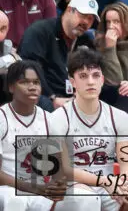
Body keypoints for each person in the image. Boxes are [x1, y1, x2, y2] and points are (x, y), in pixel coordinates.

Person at [50, 47, 128, 211]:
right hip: (72, 189)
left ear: (102, 79)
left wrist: (122, 186)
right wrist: (104, 181)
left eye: (95, 75)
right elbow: (63, 170)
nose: (90, 81)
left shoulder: (119, 117)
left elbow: (126, 167)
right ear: (72, 81)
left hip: (108, 188)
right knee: (87, 199)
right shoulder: (57, 119)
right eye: (83, 76)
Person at [0, 59, 83, 211]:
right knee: (16, 200)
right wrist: (34, 188)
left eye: (36, 82)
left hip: (39, 188)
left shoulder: (49, 119)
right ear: (11, 87)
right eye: (25, 82)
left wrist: (59, 185)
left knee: (82, 199)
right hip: (7, 189)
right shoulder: (2, 118)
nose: (32, 87)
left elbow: (60, 168)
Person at [19, 0, 97, 112]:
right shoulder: (40, 31)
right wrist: (53, 97)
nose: (86, 22)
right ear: (69, 10)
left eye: (90, 19)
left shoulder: (85, 41)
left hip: (70, 99)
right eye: (83, 15)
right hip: (43, 96)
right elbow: (28, 70)